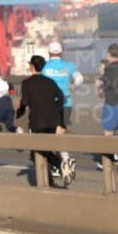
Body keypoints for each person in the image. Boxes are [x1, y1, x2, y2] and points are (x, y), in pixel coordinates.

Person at [16, 55, 70, 186]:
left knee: (36, 153)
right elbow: (61, 98)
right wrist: (56, 112)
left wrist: (19, 111)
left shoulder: (26, 83)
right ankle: (51, 178)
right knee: (45, 149)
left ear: (31, 66)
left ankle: (59, 165)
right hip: (52, 122)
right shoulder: (50, 82)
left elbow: (24, 102)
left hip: (36, 122)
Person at [43, 41, 82, 173]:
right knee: (59, 133)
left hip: (49, 103)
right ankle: (62, 161)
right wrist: (73, 87)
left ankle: (61, 162)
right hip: (66, 103)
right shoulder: (69, 65)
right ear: (62, 52)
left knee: (52, 135)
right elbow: (79, 79)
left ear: (49, 53)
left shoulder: (44, 67)